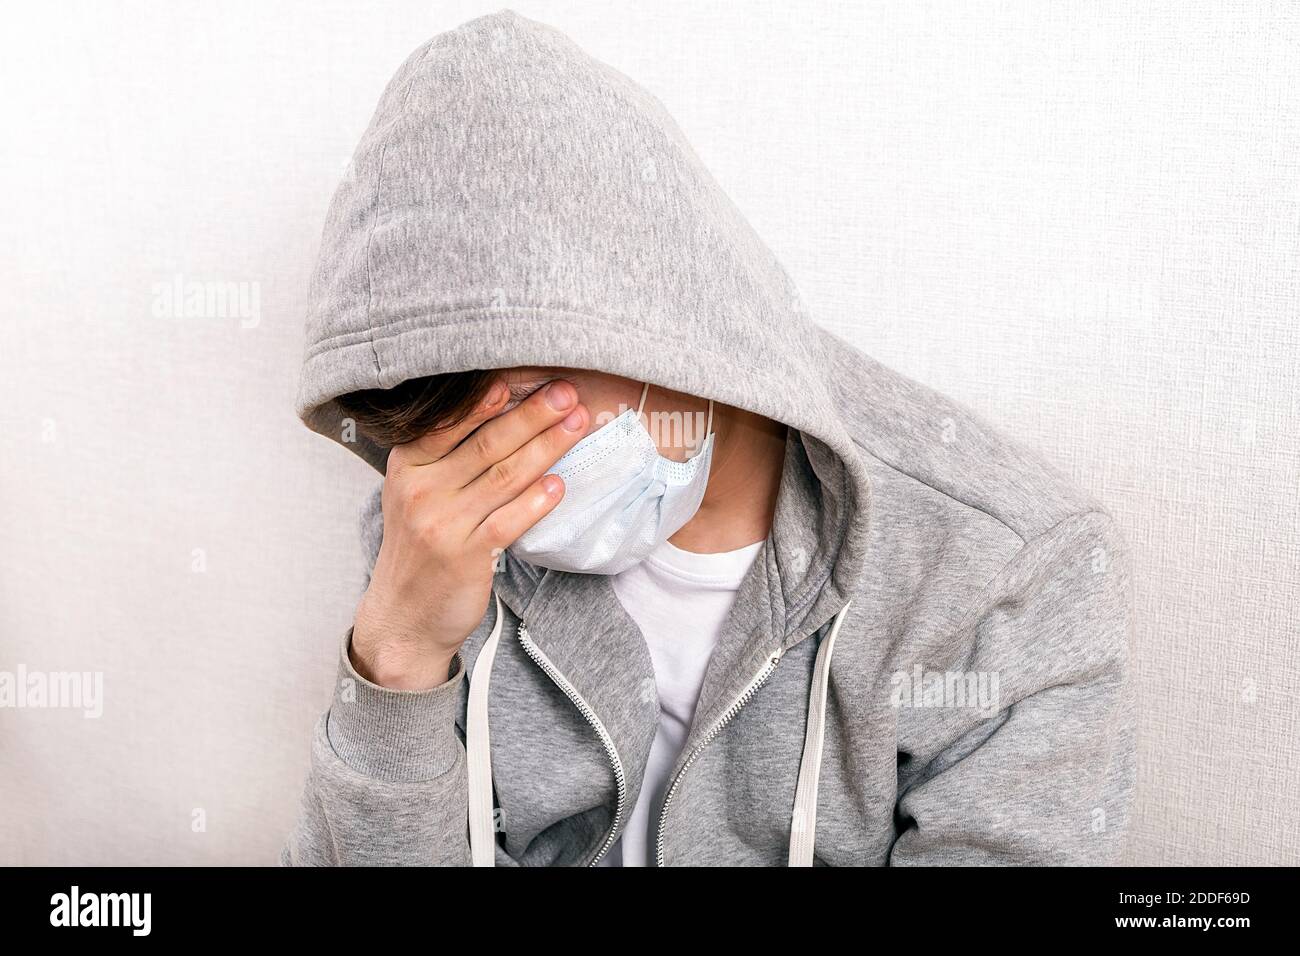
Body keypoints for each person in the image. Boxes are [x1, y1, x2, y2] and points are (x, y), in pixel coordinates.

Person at [283, 10, 1135, 867]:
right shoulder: (439, 531)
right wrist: (396, 660)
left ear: (659, 315)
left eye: (533, 403)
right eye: (449, 436)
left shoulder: (1003, 574)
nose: (499, 474)